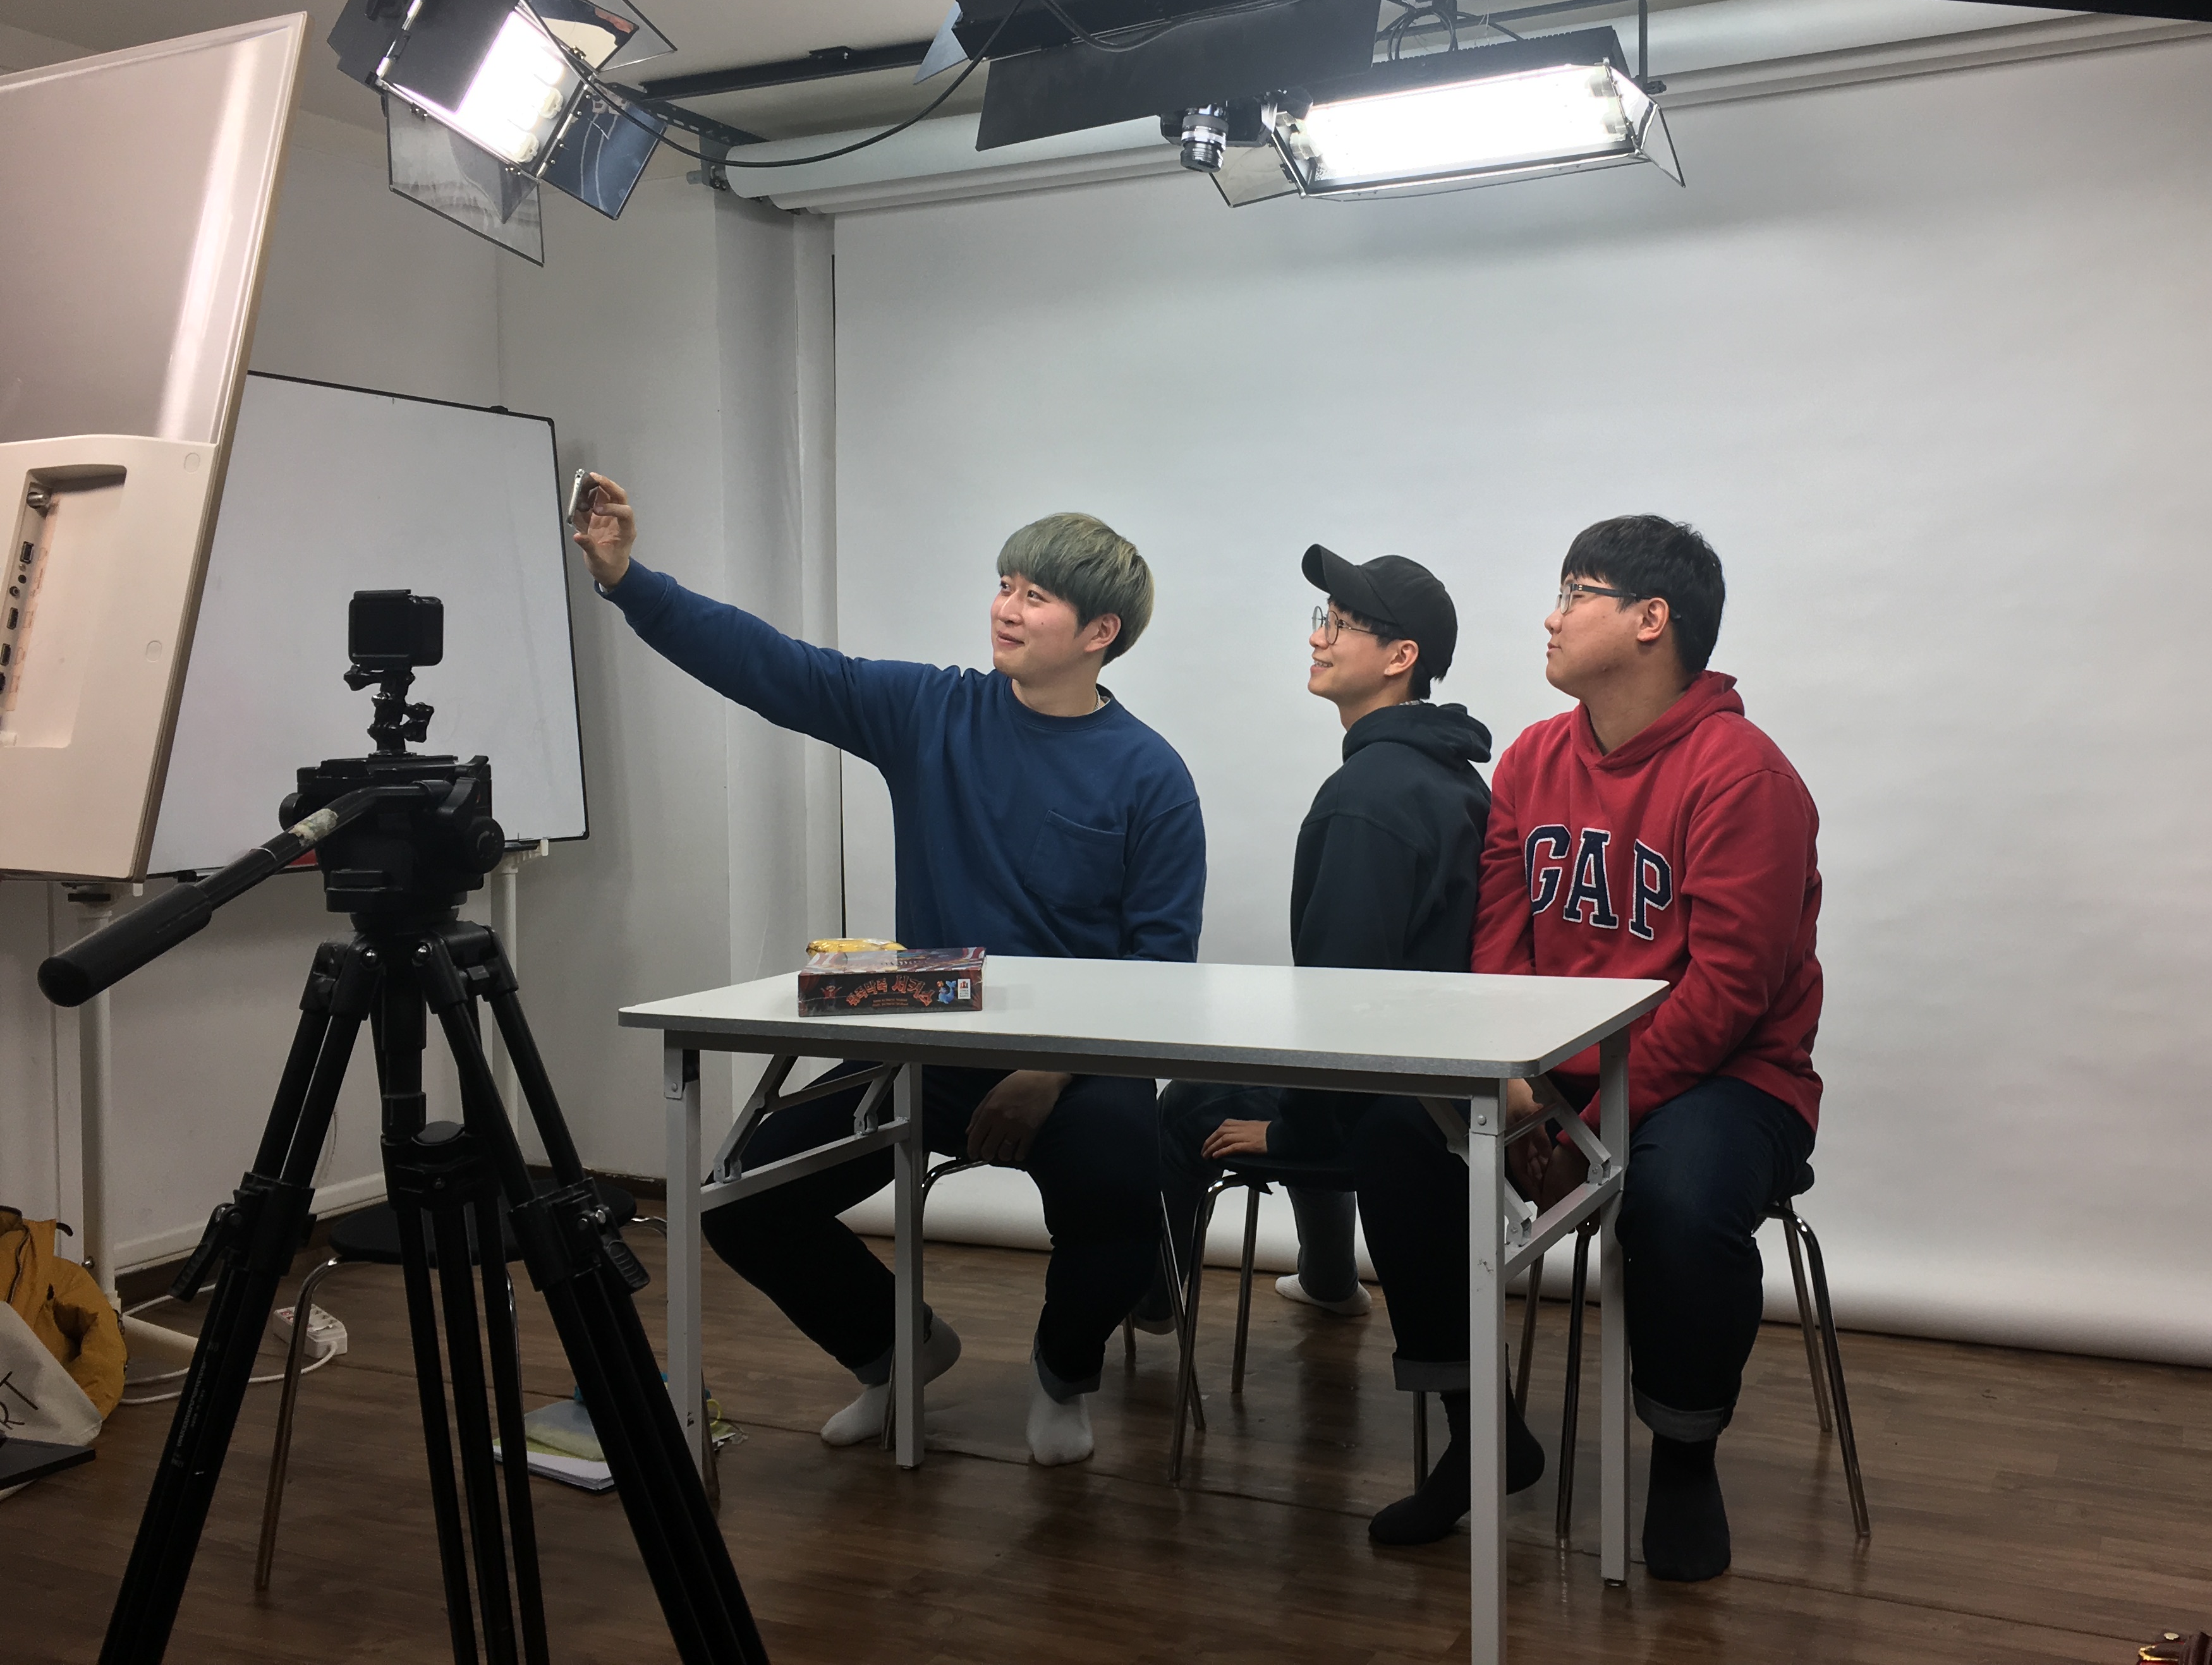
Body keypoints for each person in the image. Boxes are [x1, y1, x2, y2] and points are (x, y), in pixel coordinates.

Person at [570, 477, 1204, 1467]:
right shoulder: (931, 711)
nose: (1005, 607)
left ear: (1100, 632)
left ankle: (1062, 1374)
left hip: (1074, 1062)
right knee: (742, 1196)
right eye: (1005, 584)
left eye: (1035, 596)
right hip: (930, 1035)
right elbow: (774, 667)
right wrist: (625, 578)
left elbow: (1160, 968)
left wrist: (1046, 1074)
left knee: (1124, 1198)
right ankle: (897, 1350)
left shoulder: (1150, 775)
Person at [1347, 514, 1821, 1579]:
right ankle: (1482, 1436)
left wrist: (1596, 1130)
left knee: (1678, 1197)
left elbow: (1727, 997)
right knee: (1397, 1132)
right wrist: (1514, 1088)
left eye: (1574, 593)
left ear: (1651, 619)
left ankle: (1685, 1454)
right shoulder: (1532, 756)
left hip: (1726, 1078)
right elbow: (1499, 942)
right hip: (1555, 1073)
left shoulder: (1744, 776)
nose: (1550, 617)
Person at [1148, 547, 1492, 1326]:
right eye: (1323, 619)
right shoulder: (1452, 776)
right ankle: (1330, 1278)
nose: (1317, 637)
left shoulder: (1365, 798)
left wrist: (1289, 1130)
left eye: (1340, 625)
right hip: (1436, 1092)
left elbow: (1342, 1006)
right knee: (1285, 1064)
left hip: (1386, 1105)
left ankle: (1148, 1306)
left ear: (1400, 658)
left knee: (1186, 1107)